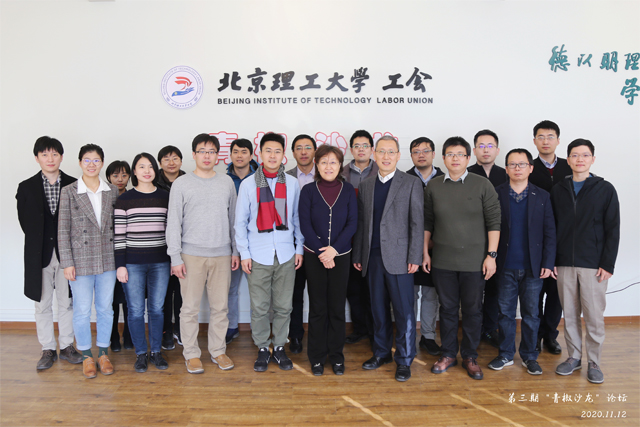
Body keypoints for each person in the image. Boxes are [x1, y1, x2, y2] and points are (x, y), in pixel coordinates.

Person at [423, 136, 500, 381]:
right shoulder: (434, 186)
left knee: (472, 310)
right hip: (442, 261)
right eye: (450, 154)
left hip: (474, 262)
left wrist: (491, 256)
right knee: (446, 310)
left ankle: (469, 356)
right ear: (443, 158)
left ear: (468, 158)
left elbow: (494, 222)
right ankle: (448, 354)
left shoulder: (482, 184)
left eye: (460, 154)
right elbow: (427, 222)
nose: (455, 158)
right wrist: (425, 252)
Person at [166, 134, 239, 374]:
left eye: (211, 151)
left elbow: (234, 219)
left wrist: (235, 251)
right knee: (189, 309)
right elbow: (173, 223)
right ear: (194, 154)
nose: (207, 156)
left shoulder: (226, 182)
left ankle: (218, 351)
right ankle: (191, 354)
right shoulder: (181, 184)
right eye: (202, 151)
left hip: (222, 254)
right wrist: (175, 257)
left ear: (217, 156)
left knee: (220, 308)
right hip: (191, 255)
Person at [352, 135, 423, 382]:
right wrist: (359, 253)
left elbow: (417, 222)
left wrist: (415, 256)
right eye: (381, 151)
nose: (386, 156)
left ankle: (404, 359)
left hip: (401, 258)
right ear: (374, 154)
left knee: (404, 312)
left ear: (398, 155)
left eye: (391, 152)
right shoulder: (367, 185)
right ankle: (381, 352)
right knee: (378, 309)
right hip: (372, 258)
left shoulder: (411, 183)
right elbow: (362, 223)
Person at [552, 139, 620, 384]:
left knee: (593, 316)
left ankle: (594, 362)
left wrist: (608, 264)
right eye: (574, 155)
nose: (580, 159)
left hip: (594, 264)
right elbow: (552, 227)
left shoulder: (605, 189)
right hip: (564, 263)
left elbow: (613, 228)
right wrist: (552, 260)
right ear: (568, 159)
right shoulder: (558, 189)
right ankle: (574, 357)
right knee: (569, 314)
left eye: (585, 155)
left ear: (592, 159)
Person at [235, 132, 304, 373]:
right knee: (260, 307)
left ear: (283, 155)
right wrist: (244, 254)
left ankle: (280, 346)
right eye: (268, 151)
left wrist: (299, 248)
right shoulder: (248, 184)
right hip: (257, 255)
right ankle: (263, 347)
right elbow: (240, 223)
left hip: (286, 253)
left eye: (277, 151)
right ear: (260, 154)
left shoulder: (292, 184)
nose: (273, 156)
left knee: (284, 306)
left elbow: (297, 218)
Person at [16, 136, 82, 370]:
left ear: (61, 157)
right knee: (42, 303)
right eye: (44, 154)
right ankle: (47, 348)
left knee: (67, 302)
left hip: (68, 255)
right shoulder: (26, 187)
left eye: (54, 154)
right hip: (38, 255)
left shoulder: (75, 184)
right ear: (37, 158)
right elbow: (25, 223)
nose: (50, 158)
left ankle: (67, 346)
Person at [487, 149, 556, 375]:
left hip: (533, 267)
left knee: (531, 315)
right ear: (506, 169)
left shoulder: (542, 196)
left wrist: (548, 262)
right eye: (512, 164)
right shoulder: (495, 193)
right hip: (505, 265)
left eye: (522, 164)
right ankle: (506, 354)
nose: (517, 168)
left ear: (531, 168)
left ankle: (529, 356)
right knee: (505, 314)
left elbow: (550, 232)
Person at [58, 144, 118, 378]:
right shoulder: (69, 191)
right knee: (82, 310)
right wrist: (67, 262)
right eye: (87, 160)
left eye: (96, 160)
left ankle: (103, 353)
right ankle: (86, 355)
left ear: (102, 163)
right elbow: (63, 230)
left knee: (105, 308)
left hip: (107, 257)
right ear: (80, 162)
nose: (91, 164)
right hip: (80, 260)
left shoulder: (112, 190)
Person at [299, 145, 357, 375]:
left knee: (337, 308)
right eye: (323, 162)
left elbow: (352, 223)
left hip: (340, 257)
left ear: (340, 165)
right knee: (317, 308)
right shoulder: (308, 191)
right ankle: (316, 357)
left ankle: (336, 356)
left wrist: (334, 250)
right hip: (314, 257)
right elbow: (305, 224)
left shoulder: (348, 190)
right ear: (316, 164)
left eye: (333, 162)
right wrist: (322, 253)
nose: (328, 166)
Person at [115, 153, 171, 372]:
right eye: (141, 167)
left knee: (157, 309)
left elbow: (172, 231)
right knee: (136, 310)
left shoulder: (165, 197)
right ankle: (140, 353)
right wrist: (120, 265)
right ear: (134, 172)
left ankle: (156, 352)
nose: (147, 171)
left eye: (150, 166)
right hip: (133, 264)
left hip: (160, 262)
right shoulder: (124, 199)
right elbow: (119, 235)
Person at [528, 120, 573, 356]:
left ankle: (550, 336)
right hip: (535, 239)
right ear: (534, 140)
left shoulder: (569, 166)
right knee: (534, 292)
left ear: (558, 140)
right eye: (541, 137)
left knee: (556, 294)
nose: (546, 141)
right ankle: (534, 336)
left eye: (550, 136)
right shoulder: (529, 167)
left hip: (564, 240)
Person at [467, 129, 507, 349]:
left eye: (490, 146)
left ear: (497, 150)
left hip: (499, 240)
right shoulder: (466, 173)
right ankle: (473, 330)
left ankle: (490, 329)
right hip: (471, 241)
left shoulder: (506, 173)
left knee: (494, 289)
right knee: (472, 291)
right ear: (474, 151)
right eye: (481, 146)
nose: (485, 150)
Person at [406, 136, 444, 356]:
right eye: (416, 151)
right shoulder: (403, 179)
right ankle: (409, 335)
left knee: (431, 294)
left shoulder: (445, 178)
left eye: (425, 151)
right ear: (411, 155)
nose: (421, 155)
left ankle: (428, 337)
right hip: (409, 247)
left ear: (433, 154)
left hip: (438, 247)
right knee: (409, 294)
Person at [343, 130, 378, 345]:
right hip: (349, 240)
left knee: (374, 290)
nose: (361, 149)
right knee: (353, 289)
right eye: (357, 146)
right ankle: (360, 328)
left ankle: (376, 331)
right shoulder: (341, 173)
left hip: (374, 240)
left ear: (372, 149)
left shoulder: (382, 170)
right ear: (351, 149)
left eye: (365, 145)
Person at [225, 138, 259, 344]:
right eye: (236, 151)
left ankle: (258, 329)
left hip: (255, 243)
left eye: (244, 151)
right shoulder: (224, 180)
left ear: (251, 155)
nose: (239, 155)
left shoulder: (260, 178)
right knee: (230, 288)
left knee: (257, 290)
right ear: (230, 155)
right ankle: (231, 327)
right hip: (230, 244)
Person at [286, 134, 316, 354]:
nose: (303, 152)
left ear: (315, 151)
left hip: (318, 245)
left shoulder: (326, 174)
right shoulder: (284, 178)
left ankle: (318, 336)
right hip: (292, 245)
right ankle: (295, 335)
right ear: (293, 153)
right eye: (299, 148)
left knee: (318, 294)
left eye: (307, 147)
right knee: (294, 294)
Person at [157, 145, 186, 350]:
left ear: (181, 161)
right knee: (165, 292)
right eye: (166, 159)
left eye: (175, 158)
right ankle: (166, 330)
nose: (171, 162)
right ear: (160, 163)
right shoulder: (153, 183)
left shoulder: (188, 181)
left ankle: (181, 329)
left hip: (185, 244)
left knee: (182, 290)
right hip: (160, 244)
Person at [105, 160, 133, 352]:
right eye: (115, 175)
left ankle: (129, 335)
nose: (120, 179)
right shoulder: (104, 197)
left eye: (124, 175)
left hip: (129, 253)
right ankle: (113, 336)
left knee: (131, 298)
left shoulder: (132, 196)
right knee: (111, 300)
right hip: (108, 254)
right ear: (108, 177)